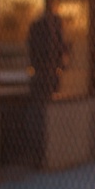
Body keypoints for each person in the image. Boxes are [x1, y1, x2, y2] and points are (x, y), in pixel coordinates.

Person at [25, 9, 67, 166]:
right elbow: (59, 53)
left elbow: (33, 52)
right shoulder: (52, 31)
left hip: (39, 77)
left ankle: (36, 150)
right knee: (43, 112)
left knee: (38, 112)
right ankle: (40, 151)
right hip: (47, 77)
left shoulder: (37, 29)